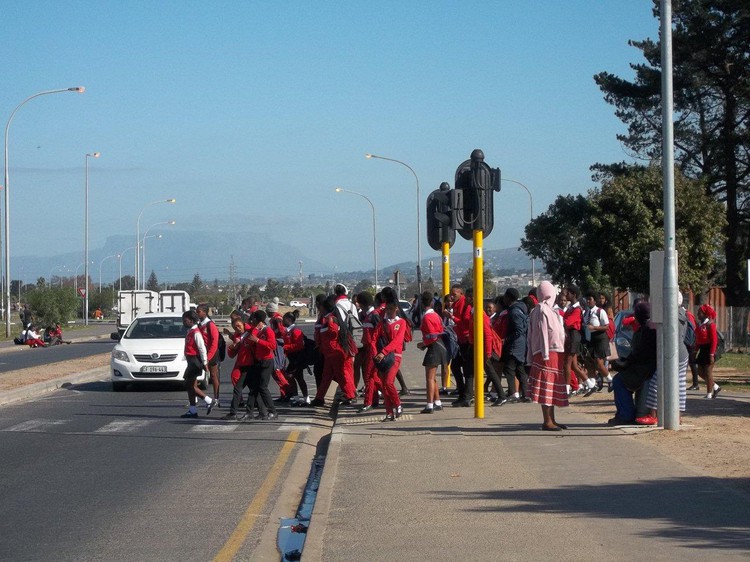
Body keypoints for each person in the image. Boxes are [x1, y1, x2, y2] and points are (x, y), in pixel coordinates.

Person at [527, 281, 568, 430]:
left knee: (551, 387)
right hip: (547, 354)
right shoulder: (542, 310)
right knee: (546, 387)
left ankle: (552, 419)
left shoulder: (551, 310)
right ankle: (547, 421)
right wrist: (545, 353)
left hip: (554, 352)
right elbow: (543, 333)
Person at [609, 302, 656, 425]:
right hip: (643, 367)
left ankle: (625, 415)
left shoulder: (647, 330)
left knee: (618, 380)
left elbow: (640, 354)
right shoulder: (647, 328)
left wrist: (624, 364)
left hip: (645, 370)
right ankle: (626, 413)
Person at [310, 295, 357, 407]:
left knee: (341, 374)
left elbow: (333, 333)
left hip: (334, 352)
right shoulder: (329, 318)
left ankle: (350, 395)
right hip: (331, 353)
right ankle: (319, 398)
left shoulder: (329, 319)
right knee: (327, 376)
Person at [372, 295, 408, 421]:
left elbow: (397, 341)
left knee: (388, 382)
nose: (389, 312)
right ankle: (389, 412)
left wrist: (384, 352)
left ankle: (398, 404)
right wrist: (375, 353)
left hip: (394, 356)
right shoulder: (382, 324)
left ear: (396, 309)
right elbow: (373, 339)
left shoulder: (401, 323)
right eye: (387, 310)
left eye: (391, 310)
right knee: (384, 384)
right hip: (381, 357)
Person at [241, 310, 278, 420]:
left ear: (258, 320)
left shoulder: (268, 331)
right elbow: (250, 341)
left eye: (254, 319)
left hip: (267, 361)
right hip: (259, 361)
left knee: (263, 387)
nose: (252, 321)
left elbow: (272, 346)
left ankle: (272, 411)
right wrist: (255, 332)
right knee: (254, 388)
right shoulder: (259, 331)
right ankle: (249, 412)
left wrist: (258, 340)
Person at [563, 285, 597, 397]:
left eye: (568, 293)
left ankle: (566, 389)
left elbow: (567, 322)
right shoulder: (571, 307)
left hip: (574, 336)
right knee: (573, 365)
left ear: (574, 295)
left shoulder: (577, 309)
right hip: (571, 336)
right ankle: (590, 384)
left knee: (567, 364)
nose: (566, 295)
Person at [181, 310, 214, 418]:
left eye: (185, 320)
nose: (183, 322)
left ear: (191, 320)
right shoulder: (190, 331)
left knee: (188, 384)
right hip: (190, 360)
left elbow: (202, 349)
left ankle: (208, 400)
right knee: (191, 386)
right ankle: (193, 410)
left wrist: (205, 362)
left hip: (195, 361)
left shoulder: (196, 333)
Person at [416, 291, 446, 413]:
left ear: (422, 304)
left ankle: (429, 405)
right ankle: (437, 401)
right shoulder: (437, 316)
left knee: (429, 378)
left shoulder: (426, 317)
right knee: (433, 378)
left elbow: (431, 336)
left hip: (433, 347)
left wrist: (422, 344)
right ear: (432, 302)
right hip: (441, 346)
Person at [444, 284, 473, 406]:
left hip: (467, 341)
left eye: (453, 294)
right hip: (460, 340)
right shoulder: (455, 305)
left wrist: (452, 317)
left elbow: (465, 324)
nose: (451, 297)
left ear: (461, 294)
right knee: (455, 366)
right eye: (450, 294)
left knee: (468, 370)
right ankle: (462, 393)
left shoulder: (465, 305)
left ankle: (467, 396)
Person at [501, 288, 530, 403]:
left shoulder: (514, 312)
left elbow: (518, 330)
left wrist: (506, 339)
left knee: (509, 368)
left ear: (509, 297)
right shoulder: (521, 309)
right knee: (520, 369)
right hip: (520, 343)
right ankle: (525, 393)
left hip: (515, 345)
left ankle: (513, 393)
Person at [356, 291, 383, 413]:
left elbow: (380, 334)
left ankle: (368, 402)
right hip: (368, 349)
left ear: (362, 303)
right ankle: (378, 400)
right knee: (373, 377)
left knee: (368, 376)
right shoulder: (367, 315)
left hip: (373, 349)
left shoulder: (374, 316)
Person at [223, 316, 253, 419]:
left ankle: (260, 409)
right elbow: (233, 352)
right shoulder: (237, 334)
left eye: (239, 326)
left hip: (251, 363)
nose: (238, 329)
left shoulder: (250, 331)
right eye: (235, 327)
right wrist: (232, 346)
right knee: (235, 378)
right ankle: (239, 404)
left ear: (243, 323)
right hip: (242, 362)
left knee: (255, 387)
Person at [584, 291, 612, 390]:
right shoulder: (586, 312)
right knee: (589, 362)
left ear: (595, 301)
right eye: (586, 299)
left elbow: (606, 327)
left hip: (600, 339)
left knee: (599, 364)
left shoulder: (600, 311)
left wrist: (595, 328)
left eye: (590, 299)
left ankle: (610, 380)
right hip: (590, 339)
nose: (588, 301)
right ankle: (593, 383)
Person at [196, 304, 222, 407]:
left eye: (199, 312)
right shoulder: (199, 324)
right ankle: (194, 399)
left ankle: (216, 398)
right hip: (201, 352)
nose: (197, 314)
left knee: (213, 375)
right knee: (194, 376)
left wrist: (208, 357)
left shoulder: (210, 325)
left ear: (204, 312)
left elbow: (214, 342)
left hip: (211, 353)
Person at [282, 310, 310, 405]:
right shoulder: (287, 331)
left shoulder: (296, 331)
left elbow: (299, 346)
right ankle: (297, 397)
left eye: (284, 319)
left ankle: (305, 398)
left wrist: (286, 347)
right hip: (292, 358)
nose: (282, 321)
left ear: (289, 320)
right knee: (295, 377)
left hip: (298, 358)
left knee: (294, 376)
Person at [695, 303, 721, 399]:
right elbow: (698, 339)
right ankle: (715, 386)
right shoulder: (699, 325)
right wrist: (695, 350)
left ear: (705, 314)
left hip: (710, 349)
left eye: (699, 312)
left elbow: (714, 340)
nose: (698, 314)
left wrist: (711, 354)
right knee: (700, 372)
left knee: (708, 371)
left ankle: (709, 393)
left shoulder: (711, 325)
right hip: (702, 349)